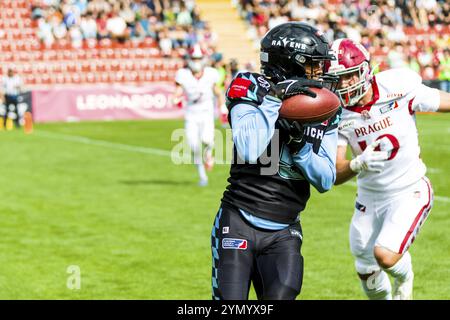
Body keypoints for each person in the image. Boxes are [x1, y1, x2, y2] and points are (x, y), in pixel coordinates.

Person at [211, 22, 341, 300]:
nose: (321, 73)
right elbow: (249, 148)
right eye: (313, 65)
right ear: (290, 63)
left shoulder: (325, 105)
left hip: (285, 229)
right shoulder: (250, 87)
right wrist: (275, 99)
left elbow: (326, 179)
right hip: (239, 219)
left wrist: (300, 147)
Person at [327, 38, 450, 300]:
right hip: (369, 197)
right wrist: (356, 163)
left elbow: (443, 101)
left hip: (409, 189)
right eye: (338, 79)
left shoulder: (397, 86)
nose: (344, 85)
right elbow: (335, 172)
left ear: (364, 70)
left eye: (349, 76)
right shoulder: (336, 112)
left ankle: (406, 277)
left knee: (385, 255)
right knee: (367, 273)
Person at [173, 45, 224, 186]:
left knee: (207, 140)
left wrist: (222, 108)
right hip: (191, 113)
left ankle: (208, 154)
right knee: (193, 146)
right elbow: (177, 92)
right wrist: (176, 99)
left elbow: (217, 92)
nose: (196, 61)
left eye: (198, 58)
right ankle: (203, 177)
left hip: (206, 112)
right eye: (194, 58)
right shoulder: (182, 73)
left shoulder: (211, 73)